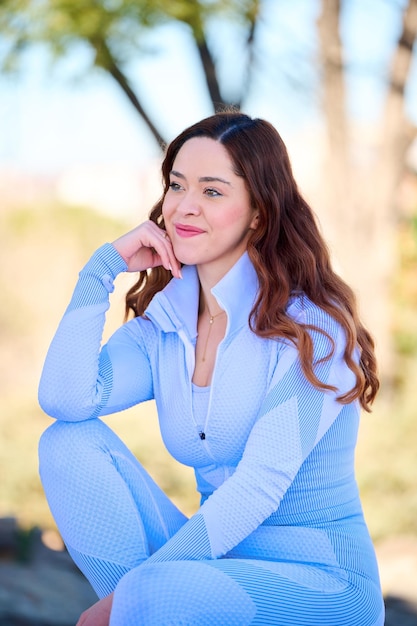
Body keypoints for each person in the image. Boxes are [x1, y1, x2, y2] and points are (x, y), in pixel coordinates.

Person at [38, 111, 385, 626]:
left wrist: (132, 596)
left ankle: (137, 605)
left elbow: (258, 486)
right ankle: (137, 607)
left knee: (151, 597)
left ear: (259, 214)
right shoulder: (168, 324)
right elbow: (66, 399)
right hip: (217, 565)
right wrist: (101, 271)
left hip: (322, 583)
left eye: (213, 192)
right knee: (65, 443)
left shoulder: (313, 332)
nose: (185, 207)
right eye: (177, 186)